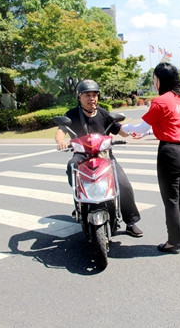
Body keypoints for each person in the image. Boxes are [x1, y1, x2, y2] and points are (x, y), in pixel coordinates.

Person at [55, 79, 143, 238]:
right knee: (71, 166)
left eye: (94, 95)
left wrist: (132, 133)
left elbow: (120, 129)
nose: (92, 98)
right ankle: (81, 200)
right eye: (87, 95)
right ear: (79, 97)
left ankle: (130, 222)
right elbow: (61, 131)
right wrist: (60, 141)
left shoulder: (103, 114)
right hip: (82, 156)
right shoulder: (72, 114)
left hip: (104, 155)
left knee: (123, 184)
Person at [121, 62, 180, 254]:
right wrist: (147, 133)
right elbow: (170, 125)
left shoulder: (160, 101)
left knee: (171, 200)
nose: (154, 82)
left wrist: (123, 129)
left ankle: (172, 242)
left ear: (160, 79)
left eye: (154, 78)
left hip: (169, 153)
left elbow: (141, 127)